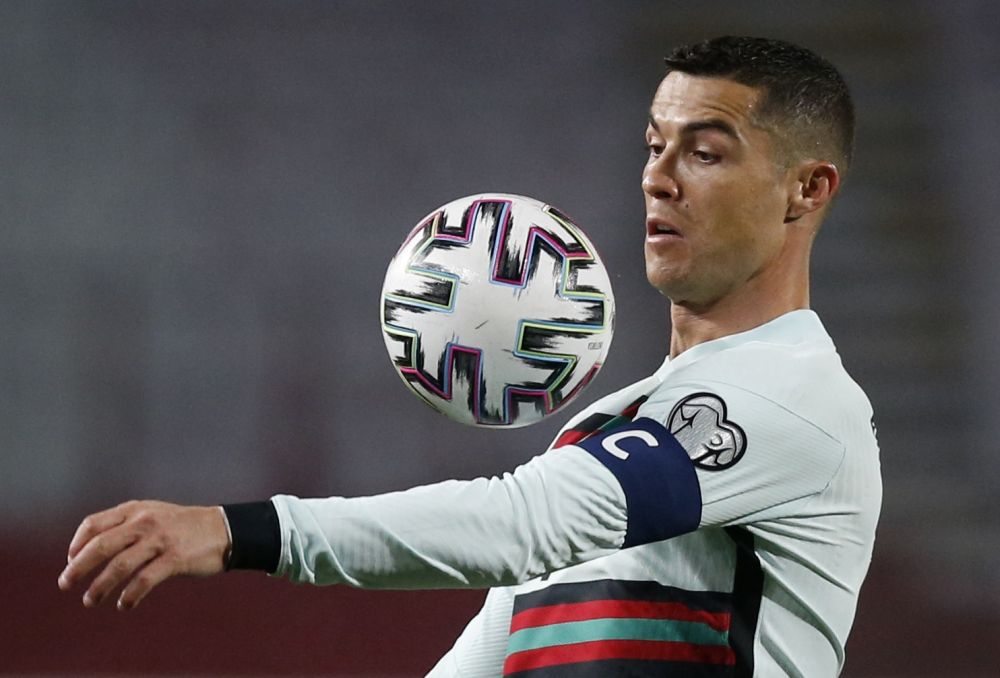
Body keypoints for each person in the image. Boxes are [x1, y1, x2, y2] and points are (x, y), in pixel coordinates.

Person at [58, 36, 881, 676]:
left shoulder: (789, 402)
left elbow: (527, 523)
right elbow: (505, 640)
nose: (657, 179)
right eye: (652, 146)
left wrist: (237, 531)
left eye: (704, 153)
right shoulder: (624, 428)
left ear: (807, 190)